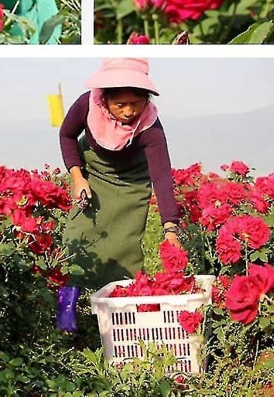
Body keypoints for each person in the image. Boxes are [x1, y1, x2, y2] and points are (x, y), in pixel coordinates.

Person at [57, 58, 182, 332]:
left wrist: (170, 228)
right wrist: (78, 178)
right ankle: (66, 314)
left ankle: (121, 320)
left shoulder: (150, 127)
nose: (128, 112)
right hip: (92, 172)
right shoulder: (86, 105)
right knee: (78, 234)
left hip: (131, 183)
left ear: (146, 100)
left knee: (124, 248)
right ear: (105, 99)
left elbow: (161, 176)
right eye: (120, 104)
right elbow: (66, 135)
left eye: (135, 104)